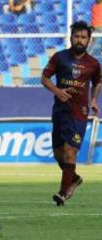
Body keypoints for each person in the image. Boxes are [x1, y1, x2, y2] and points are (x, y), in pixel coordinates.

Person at [41, 21, 102, 206]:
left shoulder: (93, 63)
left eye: (83, 37)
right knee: (59, 154)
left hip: (79, 113)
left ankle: (62, 193)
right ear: (71, 37)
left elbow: (98, 81)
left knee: (70, 152)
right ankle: (73, 179)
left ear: (89, 40)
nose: (80, 40)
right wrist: (58, 92)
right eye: (77, 36)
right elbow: (44, 78)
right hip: (60, 112)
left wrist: (93, 99)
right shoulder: (59, 58)